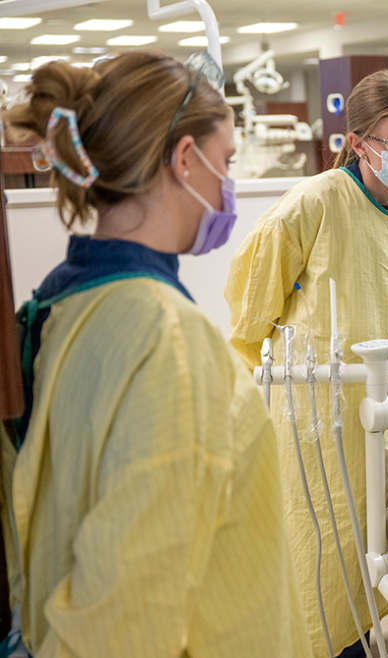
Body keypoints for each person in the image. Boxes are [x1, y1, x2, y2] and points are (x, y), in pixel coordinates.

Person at [1, 53, 312, 657]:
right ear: (185, 159)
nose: (228, 187)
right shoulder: (168, 339)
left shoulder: (54, 309)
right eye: (225, 163)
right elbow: (130, 611)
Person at [224, 70, 388, 657]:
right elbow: (251, 305)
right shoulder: (316, 201)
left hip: (384, 401)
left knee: (366, 546)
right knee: (318, 546)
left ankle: (357, 641)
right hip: (314, 413)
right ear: (360, 142)